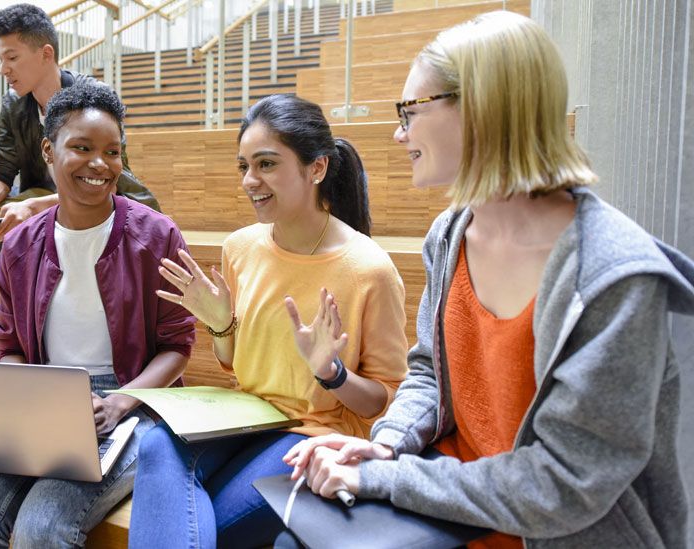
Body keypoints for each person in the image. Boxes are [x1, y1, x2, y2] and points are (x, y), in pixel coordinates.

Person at [283, 10, 694, 548]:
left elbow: (562, 485)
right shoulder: (448, 235)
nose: (397, 130)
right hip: (450, 510)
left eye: (410, 109)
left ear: (481, 110)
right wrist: (385, 445)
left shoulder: (613, 277)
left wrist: (387, 476)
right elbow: (429, 372)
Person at [127, 94, 409, 548]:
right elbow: (234, 365)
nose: (249, 181)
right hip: (247, 417)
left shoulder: (368, 270)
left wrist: (331, 374)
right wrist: (221, 326)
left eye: (266, 164)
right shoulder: (240, 248)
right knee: (158, 445)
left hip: (316, 432)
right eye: (244, 166)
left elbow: (384, 403)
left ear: (316, 169)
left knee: (199, 520)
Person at [0, 83, 196, 549]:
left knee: (42, 528)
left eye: (113, 151)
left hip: (129, 404)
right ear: (49, 151)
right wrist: (21, 396)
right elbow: (9, 346)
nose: (101, 164)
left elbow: (178, 345)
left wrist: (120, 402)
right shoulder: (18, 243)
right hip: (42, 396)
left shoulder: (156, 235)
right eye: (82, 148)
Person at [0, 3, 159, 363]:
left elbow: (107, 177)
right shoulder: (14, 105)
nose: (4, 69)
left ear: (45, 53)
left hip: (105, 194)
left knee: (35, 210)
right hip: (41, 195)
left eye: (12, 58)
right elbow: (1, 173)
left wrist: (34, 206)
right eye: (0, 59)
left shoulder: (89, 97)